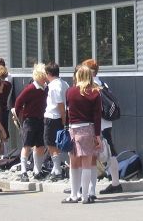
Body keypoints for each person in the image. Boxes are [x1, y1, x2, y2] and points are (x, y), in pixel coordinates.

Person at [81, 59, 123, 196]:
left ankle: (85, 187)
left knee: (90, 155)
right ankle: (115, 183)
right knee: (111, 151)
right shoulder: (103, 83)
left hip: (97, 124)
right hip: (106, 123)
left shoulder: (91, 86)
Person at [62, 65, 102, 204]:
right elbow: (97, 116)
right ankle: (85, 196)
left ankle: (74, 195)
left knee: (74, 163)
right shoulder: (95, 93)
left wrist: (66, 128)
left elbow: (67, 113)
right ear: (90, 76)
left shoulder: (70, 92)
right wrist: (98, 136)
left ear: (78, 76)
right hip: (89, 129)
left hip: (73, 129)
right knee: (87, 163)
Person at [14, 63, 48, 182]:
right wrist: (19, 117)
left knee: (40, 146)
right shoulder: (30, 88)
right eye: (44, 75)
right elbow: (18, 102)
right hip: (29, 120)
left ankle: (37, 170)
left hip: (40, 119)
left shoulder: (45, 88)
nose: (46, 78)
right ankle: (23, 171)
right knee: (27, 145)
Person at [44, 62, 70, 181]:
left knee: (50, 143)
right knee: (57, 143)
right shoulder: (65, 83)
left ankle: (57, 169)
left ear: (48, 73)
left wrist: (64, 119)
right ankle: (56, 168)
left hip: (53, 117)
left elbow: (60, 104)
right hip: (59, 117)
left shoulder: (54, 86)